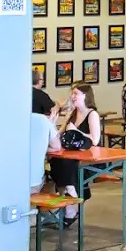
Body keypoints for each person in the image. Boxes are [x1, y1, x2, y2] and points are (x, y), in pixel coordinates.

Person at [48, 84, 103, 222]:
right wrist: (51, 125)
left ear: (85, 96)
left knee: (66, 164)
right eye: (72, 94)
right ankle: (68, 199)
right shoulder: (72, 113)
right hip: (71, 153)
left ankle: (72, 198)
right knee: (56, 160)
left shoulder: (92, 114)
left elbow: (95, 140)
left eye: (76, 94)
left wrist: (77, 131)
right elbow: (60, 133)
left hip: (88, 157)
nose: (72, 97)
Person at [30, 92, 60, 195]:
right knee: (52, 183)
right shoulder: (43, 120)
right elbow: (57, 147)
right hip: (33, 181)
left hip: (5, 181)